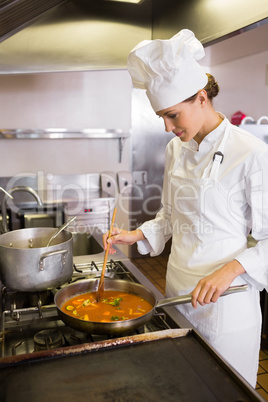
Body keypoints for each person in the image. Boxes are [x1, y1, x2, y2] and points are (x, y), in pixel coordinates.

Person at [103, 29, 268, 387]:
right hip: (178, 294)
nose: (166, 127)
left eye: (173, 115)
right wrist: (136, 234)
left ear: (201, 98)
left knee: (225, 390)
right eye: (162, 116)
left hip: (228, 304)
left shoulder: (251, 153)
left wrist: (231, 269)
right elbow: (170, 215)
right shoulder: (176, 149)